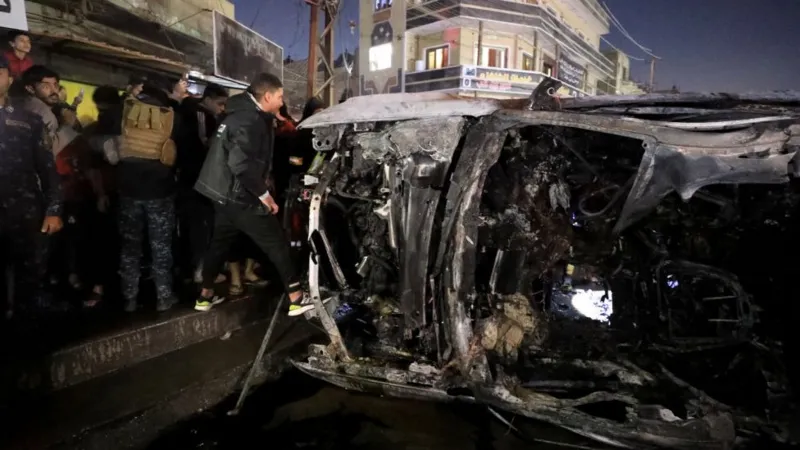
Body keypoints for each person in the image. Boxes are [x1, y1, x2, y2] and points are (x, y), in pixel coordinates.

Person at [194, 73, 313, 315]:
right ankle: (296, 297)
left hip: (222, 194)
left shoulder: (237, 114)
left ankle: (205, 296)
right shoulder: (250, 120)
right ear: (267, 96)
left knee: (219, 245)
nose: (282, 102)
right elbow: (240, 164)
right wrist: (264, 195)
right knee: (276, 242)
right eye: (279, 96)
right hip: (240, 194)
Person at [0, 54, 63, 317]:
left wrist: (53, 209)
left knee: (30, 277)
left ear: (9, 79)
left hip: (25, 211)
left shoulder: (29, 120)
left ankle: (26, 330)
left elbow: (48, 169)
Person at [115, 76, 181, 312]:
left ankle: (129, 299)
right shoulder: (170, 116)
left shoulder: (124, 112)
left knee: (130, 247)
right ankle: (164, 297)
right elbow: (179, 153)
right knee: (160, 246)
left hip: (128, 190)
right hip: (160, 191)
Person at [175, 83, 228, 285]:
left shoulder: (184, 112)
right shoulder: (201, 116)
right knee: (201, 227)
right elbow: (206, 144)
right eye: (220, 104)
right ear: (208, 99)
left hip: (186, 178)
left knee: (189, 226)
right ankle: (201, 271)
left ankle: (188, 270)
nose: (222, 108)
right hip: (199, 178)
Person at [19, 65, 61, 154]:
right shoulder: (43, 113)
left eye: (56, 85)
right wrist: (67, 127)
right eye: (46, 87)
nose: (54, 91)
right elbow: (46, 151)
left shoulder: (23, 104)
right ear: (30, 89)